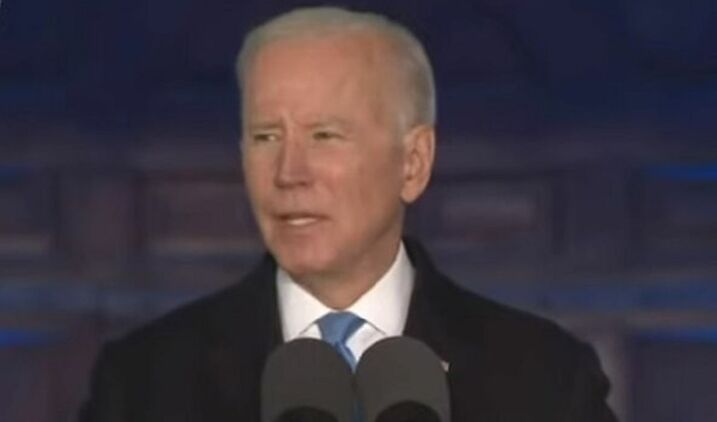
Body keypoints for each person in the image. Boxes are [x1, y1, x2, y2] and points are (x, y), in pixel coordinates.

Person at [80, 6, 617, 421]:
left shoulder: (545, 379)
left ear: (413, 162)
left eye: (325, 136)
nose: (289, 172)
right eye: (266, 137)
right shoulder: (142, 383)